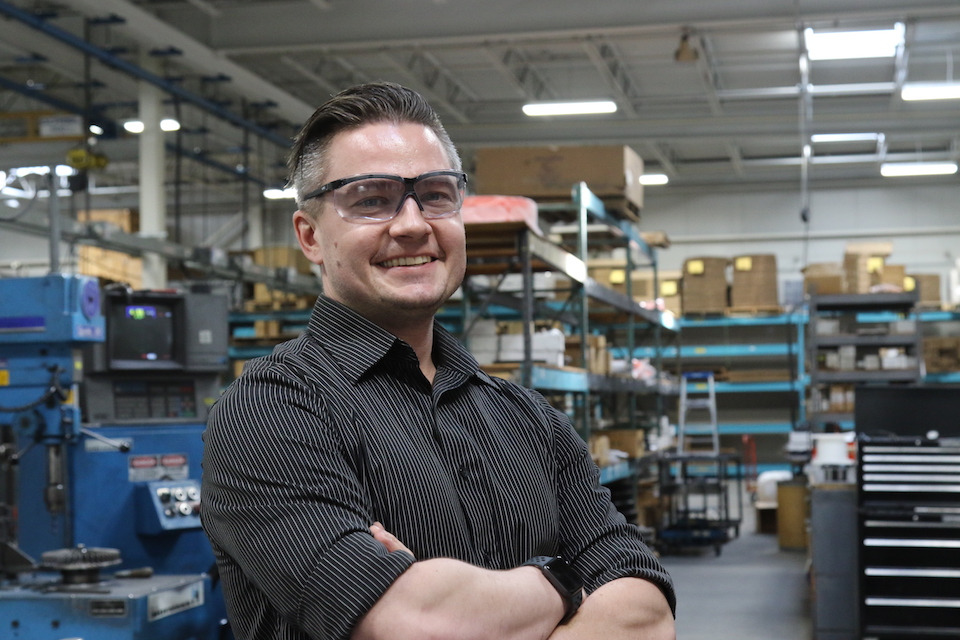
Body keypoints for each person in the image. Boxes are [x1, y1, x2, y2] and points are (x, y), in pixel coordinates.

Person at [201, 81, 676, 640]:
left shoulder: (530, 420)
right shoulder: (270, 412)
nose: (412, 224)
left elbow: (647, 614)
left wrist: (461, 604)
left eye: (434, 194)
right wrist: (563, 581)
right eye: (370, 199)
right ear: (310, 236)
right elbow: (420, 626)